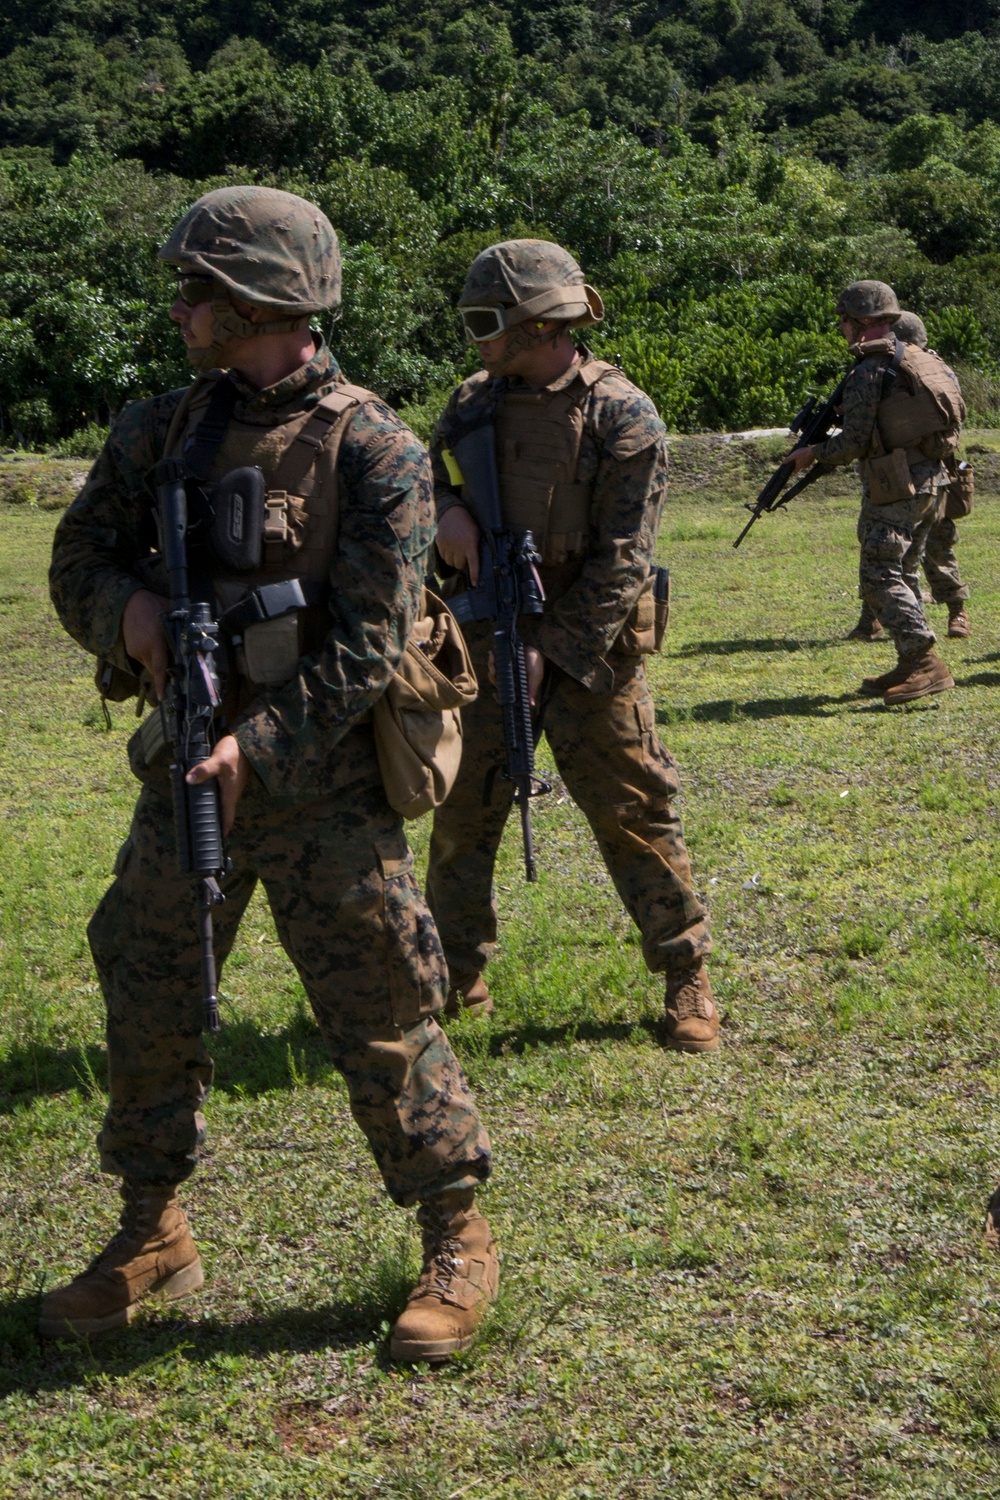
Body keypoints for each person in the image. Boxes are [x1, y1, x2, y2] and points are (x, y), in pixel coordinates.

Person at [44, 186, 497, 1362]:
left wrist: (267, 746)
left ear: (261, 298)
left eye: (200, 287)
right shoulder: (161, 427)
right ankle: (152, 1227)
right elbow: (78, 554)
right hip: (186, 765)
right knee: (145, 977)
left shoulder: (375, 447)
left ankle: (455, 1232)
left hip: (323, 789)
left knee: (383, 1007)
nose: (182, 307)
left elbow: (371, 637)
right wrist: (127, 612)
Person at [425, 239, 717, 1052]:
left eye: (489, 322)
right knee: (460, 815)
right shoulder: (473, 402)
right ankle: (456, 972)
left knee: (635, 813)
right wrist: (445, 508)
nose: (476, 339)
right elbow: (421, 472)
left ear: (538, 323)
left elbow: (625, 558)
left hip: (593, 650)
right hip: (485, 631)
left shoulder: (624, 413)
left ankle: (685, 972)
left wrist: (549, 649)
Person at [791, 280, 963, 705]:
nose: (842, 329)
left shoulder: (871, 369)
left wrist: (810, 454)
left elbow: (851, 443)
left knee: (878, 573)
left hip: (896, 485)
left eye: (845, 321)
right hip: (933, 482)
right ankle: (909, 662)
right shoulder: (924, 358)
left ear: (864, 322)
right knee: (903, 570)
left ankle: (925, 663)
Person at [847, 310, 971, 643]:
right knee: (883, 547)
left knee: (927, 547)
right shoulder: (903, 368)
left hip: (923, 470)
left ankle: (953, 612)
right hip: (900, 471)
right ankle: (872, 618)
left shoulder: (914, 368)